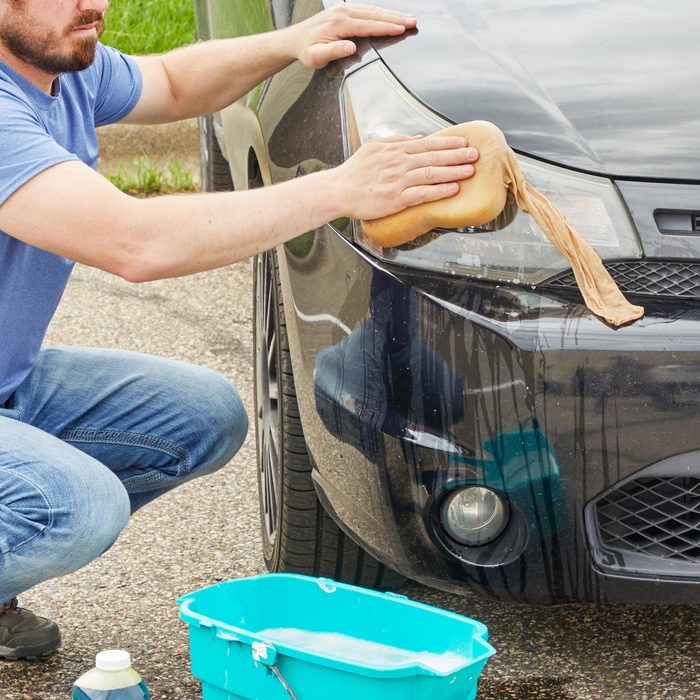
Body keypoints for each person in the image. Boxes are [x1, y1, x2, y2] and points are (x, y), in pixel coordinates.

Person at [0, 0, 480, 660]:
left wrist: (295, 40)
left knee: (202, 415)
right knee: (73, 508)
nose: (95, 5)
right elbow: (134, 243)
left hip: (10, 384)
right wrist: (343, 190)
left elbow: (170, 83)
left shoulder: (56, 62)